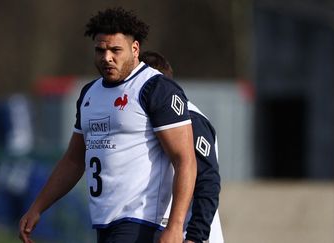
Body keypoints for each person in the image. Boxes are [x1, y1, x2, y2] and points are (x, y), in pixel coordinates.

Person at [19, 7, 197, 243]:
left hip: (141, 221)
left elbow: (185, 159)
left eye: (115, 50)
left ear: (135, 49)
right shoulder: (89, 94)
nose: (107, 57)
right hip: (104, 222)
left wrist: (175, 226)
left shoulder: (156, 89)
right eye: (100, 50)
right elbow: (73, 159)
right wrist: (37, 207)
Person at [139, 51, 224, 243]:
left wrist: (195, 237)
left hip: (188, 235)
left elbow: (208, 181)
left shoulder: (191, 119)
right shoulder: (141, 121)